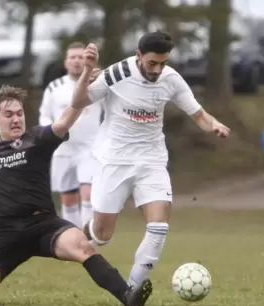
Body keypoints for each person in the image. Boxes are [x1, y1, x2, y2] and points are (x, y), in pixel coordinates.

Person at [0, 44, 152, 306]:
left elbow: (68, 115)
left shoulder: (38, 138)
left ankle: (128, 296)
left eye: (19, 113)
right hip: (5, 232)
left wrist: (86, 73)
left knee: (83, 247)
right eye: (8, 114)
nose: (16, 119)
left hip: (44, 225)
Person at [70, 32, 231, 292]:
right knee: (102, 236)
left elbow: (199, 115)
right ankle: (87, 229)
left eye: (163, 63)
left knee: (158, 227)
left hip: (151, 161)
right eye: (152, 63)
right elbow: (78, 101)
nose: (157, 69)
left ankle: (132, 289)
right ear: (139, 56)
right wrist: (87, 70)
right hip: (114, 160)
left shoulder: (171, 80)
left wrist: (214, 125)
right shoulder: (117, 73)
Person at [38, 42, 102, 227]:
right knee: (68, 199)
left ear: (87, 60)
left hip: (90, 149)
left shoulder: (97, 84)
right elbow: (45, 115)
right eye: (72, 57)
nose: (76, 61)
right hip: (63, 150)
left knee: (88, 194)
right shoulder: (54, 87)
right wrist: (49, 135)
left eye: (80, 57)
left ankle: (88, 242)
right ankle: (72, 238)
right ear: (66, 62)